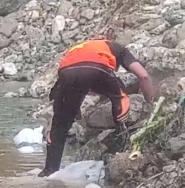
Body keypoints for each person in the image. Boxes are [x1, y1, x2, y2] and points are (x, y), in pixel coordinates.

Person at [39, 39, 157, 177]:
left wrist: (75, 116)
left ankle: (49, 174)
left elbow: (78, 82)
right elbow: (143, 76)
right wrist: (151, 104)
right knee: (120, 97)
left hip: (66, 73)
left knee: (58, 130)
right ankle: (123, 137)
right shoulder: (118, 48)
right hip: (98, 69)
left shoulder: (79, 49)